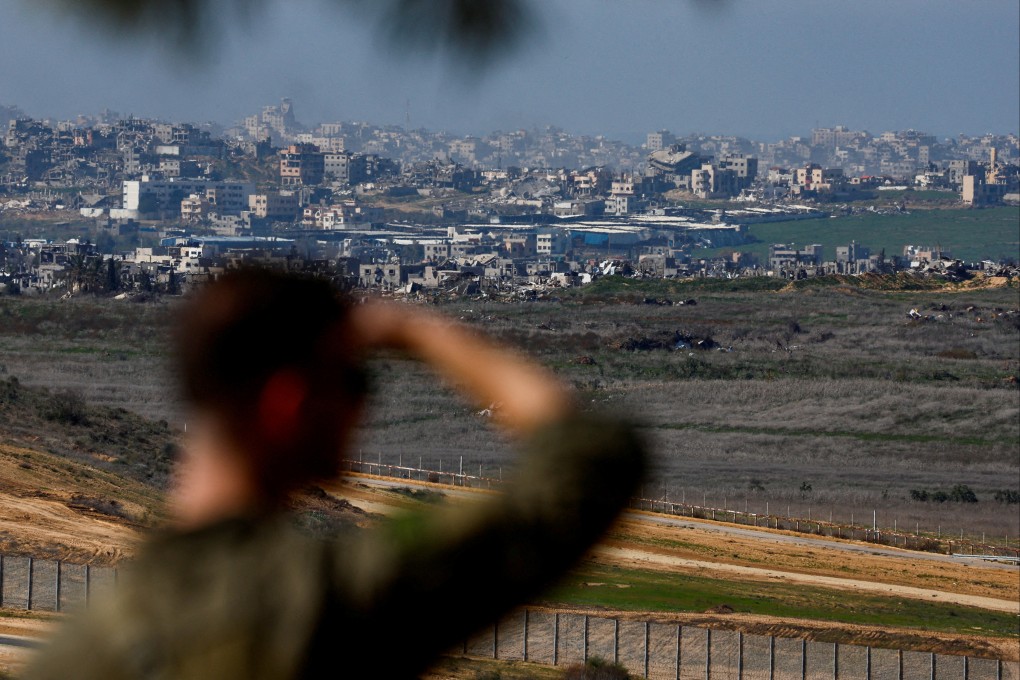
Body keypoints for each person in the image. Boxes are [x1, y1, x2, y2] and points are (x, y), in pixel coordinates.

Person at [25, 268, 646, 679]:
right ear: (289, 404)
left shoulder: (81, 649)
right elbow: (591, 462)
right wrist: (420, 333)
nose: (361, 405)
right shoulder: (324, 600)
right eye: (353, 380)